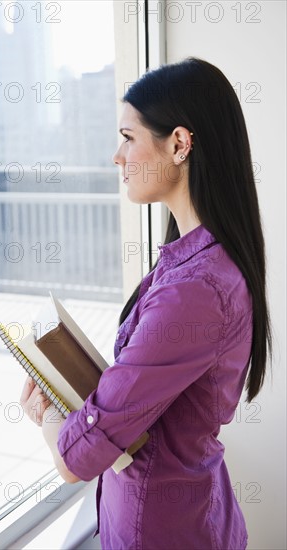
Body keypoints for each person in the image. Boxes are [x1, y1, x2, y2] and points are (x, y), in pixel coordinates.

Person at [20, 57, 273, 549]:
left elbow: (77, 461)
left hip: (160, 531)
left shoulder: (194, 289)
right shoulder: (202, 258)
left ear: (179, 144)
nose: (118, 156)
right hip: (193, 513)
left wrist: (50, 412)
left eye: (128, 137)